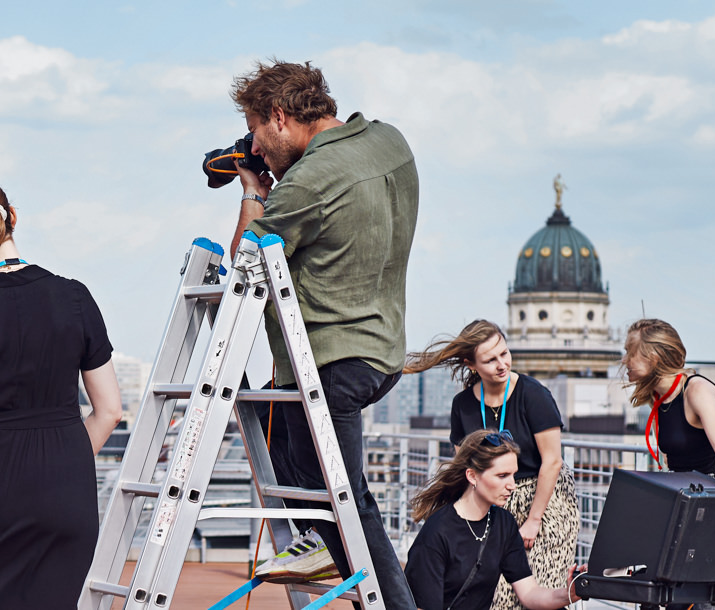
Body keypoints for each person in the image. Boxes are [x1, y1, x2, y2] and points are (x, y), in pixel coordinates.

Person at [228, 59, 421, 608]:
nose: (257, 148)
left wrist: (252, 191)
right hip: (382, 350)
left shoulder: (308, 181)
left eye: (258, 133)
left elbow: (245, 265)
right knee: (283, 441)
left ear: (281, 117)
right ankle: (317, 543)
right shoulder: (390, 142)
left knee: (347, 508)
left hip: (329, 361)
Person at [0, 175, 126, 610]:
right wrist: (60, 462)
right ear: (13, 218)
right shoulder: (75, 297)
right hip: (68, 492)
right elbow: (109, 412)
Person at [400, 320, 574, 610]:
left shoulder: (533, 394)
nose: (501, 364)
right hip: (492, 496)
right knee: (498, 597)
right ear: (471, 364)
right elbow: (465, 466)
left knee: (534, 589)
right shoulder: (463, 405)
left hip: (543, 496)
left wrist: (533, 520)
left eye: (504, 353)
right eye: (490, 359)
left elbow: (553, 461)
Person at [405, 430, 578, 610]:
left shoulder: (503, 523)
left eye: (513, 475)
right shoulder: (437, 532)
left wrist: (569, 593)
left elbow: (529, 593)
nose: (512, 485)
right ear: (472, 476)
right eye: (502, 476)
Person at [623, 319, 715, 504]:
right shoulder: (657, 397)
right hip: (683, 494)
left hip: (711, 495)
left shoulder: (697, 391)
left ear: (653, 357)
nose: (624, 360)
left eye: (629, 352)